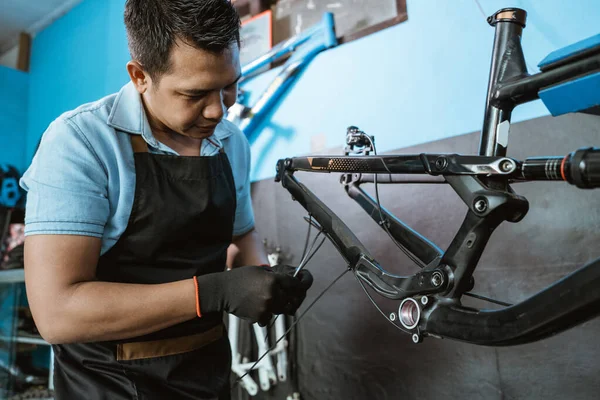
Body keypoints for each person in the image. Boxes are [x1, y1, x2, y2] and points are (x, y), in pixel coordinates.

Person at [19, 1, 313, 399]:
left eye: (229, 86)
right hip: (108, 384)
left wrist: (264, 281)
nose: (218, 110)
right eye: (195, 94)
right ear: (140, 75)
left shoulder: (231, 143)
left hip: (205, 373)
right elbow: (58, 313)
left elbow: (243, 234)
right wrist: (214, 292)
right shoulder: (81, 142)